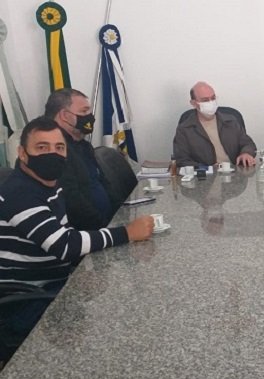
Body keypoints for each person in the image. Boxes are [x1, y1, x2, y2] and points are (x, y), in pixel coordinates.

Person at [0, 117, 154, 337]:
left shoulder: (49, 184)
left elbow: (63, 234)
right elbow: (64, 245)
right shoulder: (19, 192)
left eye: (59, 147)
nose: (52, 154)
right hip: (25, 300)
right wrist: (127, 233)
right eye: (42, 147)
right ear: (22, 153)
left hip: (52, 283)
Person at [45, 88, 122, 230]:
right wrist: (107, 230)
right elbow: (73, 202)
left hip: (110, 225)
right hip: (90, 231)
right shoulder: (55, 152)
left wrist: (123, 215)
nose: (90, 117)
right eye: (84, 111)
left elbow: (103, 182)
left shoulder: (83, 145)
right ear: (64, 115)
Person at [173, 81, 257, 168]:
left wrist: (246, 153)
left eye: (213, 98)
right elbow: (181, 160)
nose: (211, 102)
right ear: (194, 103)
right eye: (205, 100)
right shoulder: (185, 129)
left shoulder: (230, 121)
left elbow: (248, 144)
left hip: (235, 171)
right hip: (206, 174)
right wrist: (207, 168)